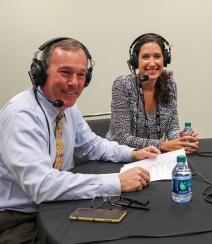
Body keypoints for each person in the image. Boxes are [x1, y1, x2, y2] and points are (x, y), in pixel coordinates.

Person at [0, 38, 160, 243]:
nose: (74, 82)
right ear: (40, 73)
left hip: (56, 204)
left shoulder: (66, 106)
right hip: (18, 216)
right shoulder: (21, 116)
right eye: (65, 72)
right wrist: (117, 182)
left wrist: (131, 153)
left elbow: (92, 145)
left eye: (81, 75)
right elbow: (42, 185)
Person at [106, 33, 198, 153]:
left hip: (154, 156)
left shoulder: (170, 84)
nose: (152, 63)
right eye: (145, 57)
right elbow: (121, 138)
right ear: (135, 61)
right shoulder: (123, 85)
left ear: (165, 59)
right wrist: (162, 145)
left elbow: (172, 128)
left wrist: (182, 139)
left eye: (157, 56)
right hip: (121, 156)